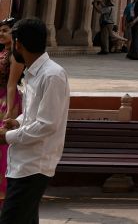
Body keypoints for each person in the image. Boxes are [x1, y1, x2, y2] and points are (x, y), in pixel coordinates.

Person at [0, 17, 70, 224]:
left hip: (35, 163)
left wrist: (7, 137)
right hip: (22, 162)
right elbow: (34, 114)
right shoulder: (33, 72)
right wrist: (18, 122)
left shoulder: (52, 75)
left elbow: (47, 124)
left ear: (18, 44)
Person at [0, 18, 25, 208]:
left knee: (4, 145)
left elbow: (11, 84)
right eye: (0, 30)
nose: (1, 34)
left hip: (7, 100)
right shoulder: (3, 53)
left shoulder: (15, 56)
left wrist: (9, 111)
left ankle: (5, 190)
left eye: (5, 31)